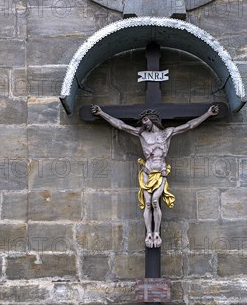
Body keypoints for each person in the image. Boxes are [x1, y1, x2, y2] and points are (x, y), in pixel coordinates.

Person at [90, 104, 219, 248]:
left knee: (156, 201)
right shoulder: (142, 134)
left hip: (160, 173)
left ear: (152, 119)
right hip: (147, 172)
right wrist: (102, 113)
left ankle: (156, 232)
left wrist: (207, 114)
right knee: (148, 203)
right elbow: (121, 126)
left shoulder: (167, 133)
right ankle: (148, 234)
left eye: (145, 120)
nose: (143, 123)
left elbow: (189, 126)